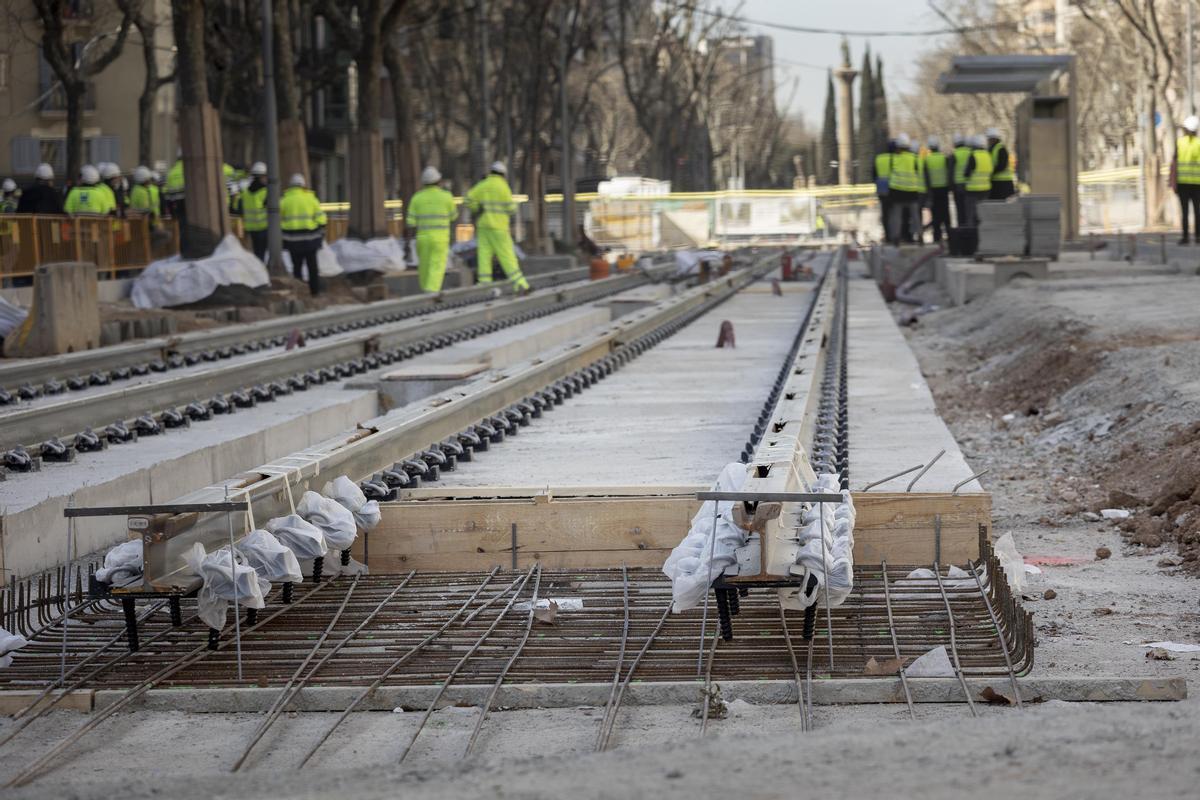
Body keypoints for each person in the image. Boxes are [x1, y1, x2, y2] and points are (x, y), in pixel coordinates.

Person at [466, 161, 530, 293]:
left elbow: (468, 199)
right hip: (499, 228)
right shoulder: (503, 187)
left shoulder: (482, 185)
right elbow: (511, 209)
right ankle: (519, 284)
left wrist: (476, 209)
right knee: (507, 256)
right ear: (503, 174)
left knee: (484, 255)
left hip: (484, 227)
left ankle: (484, 285)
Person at [406, 165, 457, 292]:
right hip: (440, 239)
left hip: (422, 238)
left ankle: (425, 291)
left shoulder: (416, 198)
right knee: (437, 265)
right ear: (439, 181)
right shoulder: (447, 196)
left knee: (424, 266)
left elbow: (410, 222)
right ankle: (432, 291)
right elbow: (454, 216)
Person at [280, 173, 326, 296]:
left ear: (291, 186)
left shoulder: (284, 201)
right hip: (310, 240)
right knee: (312, 267)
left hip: (292, 241)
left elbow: (279, 221)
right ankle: (314, 292)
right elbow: (321, 219)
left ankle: (299, 292)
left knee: (297, 267)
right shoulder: (311, 199)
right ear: (303, 185)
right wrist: (320, 234)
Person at [886, 133, 921, 245]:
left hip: (897, 191)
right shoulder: (914, 158)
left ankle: (896, 237)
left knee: (897, 215)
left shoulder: (894, 158)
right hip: (912, 190)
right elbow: (917, 172)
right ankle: (920, 235)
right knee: (915, 215)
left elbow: (890, 173)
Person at [232, 162, 269, 261]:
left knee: (256, 253)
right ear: (263, 176)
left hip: (250, 227)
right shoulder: (266, 191)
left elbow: (237, 207)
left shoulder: (245, 192)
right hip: (263, 227)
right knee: (261, 253)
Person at [1173, 115, 1200, 244]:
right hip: (1197, 183)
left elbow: (1174, 162)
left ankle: (1185, 238)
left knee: (1185, 211)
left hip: (1182, 183)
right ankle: (1198, 237)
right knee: (1197, 211)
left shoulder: (1179, 142)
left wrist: (1173, 182)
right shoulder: (1199, 143)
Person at [922, 136, 951, 244]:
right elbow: (949, 173)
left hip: (933, 190)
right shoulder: (944, 158)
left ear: (930, 148)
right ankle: (949, 235)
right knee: (946, 214)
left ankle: (937, 237)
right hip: (944, 189)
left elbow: (926, 177)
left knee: (936, 215)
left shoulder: (927, 160)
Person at [962, 135, 993, 227]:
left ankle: (972, 236)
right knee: (983, 215)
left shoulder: (973, 155)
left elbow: (966, 173)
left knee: (970, 215)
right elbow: (991, 170)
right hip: (986, 190)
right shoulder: (988, 155)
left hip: (972, 190)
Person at [873, 138, 895, 242]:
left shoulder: (879, 158)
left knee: (885, 213)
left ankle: (888, 235)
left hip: (882, 189)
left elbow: (874, 174)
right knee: (895, 213)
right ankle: (895, 234)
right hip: (894, 189)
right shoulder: (896, 158)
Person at [985, 127, 1015, 200]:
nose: (988, 141)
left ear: (993, 139)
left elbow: (1002, 165)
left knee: (1001, 207)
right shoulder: (992, 149)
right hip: (997, 183)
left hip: (1003, 184)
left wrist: (991, 172)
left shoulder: (1000, 149)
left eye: (989, 139)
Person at [951, 133, 971, 227]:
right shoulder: (970, 152)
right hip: (969, 184)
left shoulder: (954, 155)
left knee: (960, 209)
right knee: (968, 208)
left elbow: (951, 171)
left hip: (958, 185)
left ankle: (961, 227)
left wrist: (950, 186)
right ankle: (969, 226)